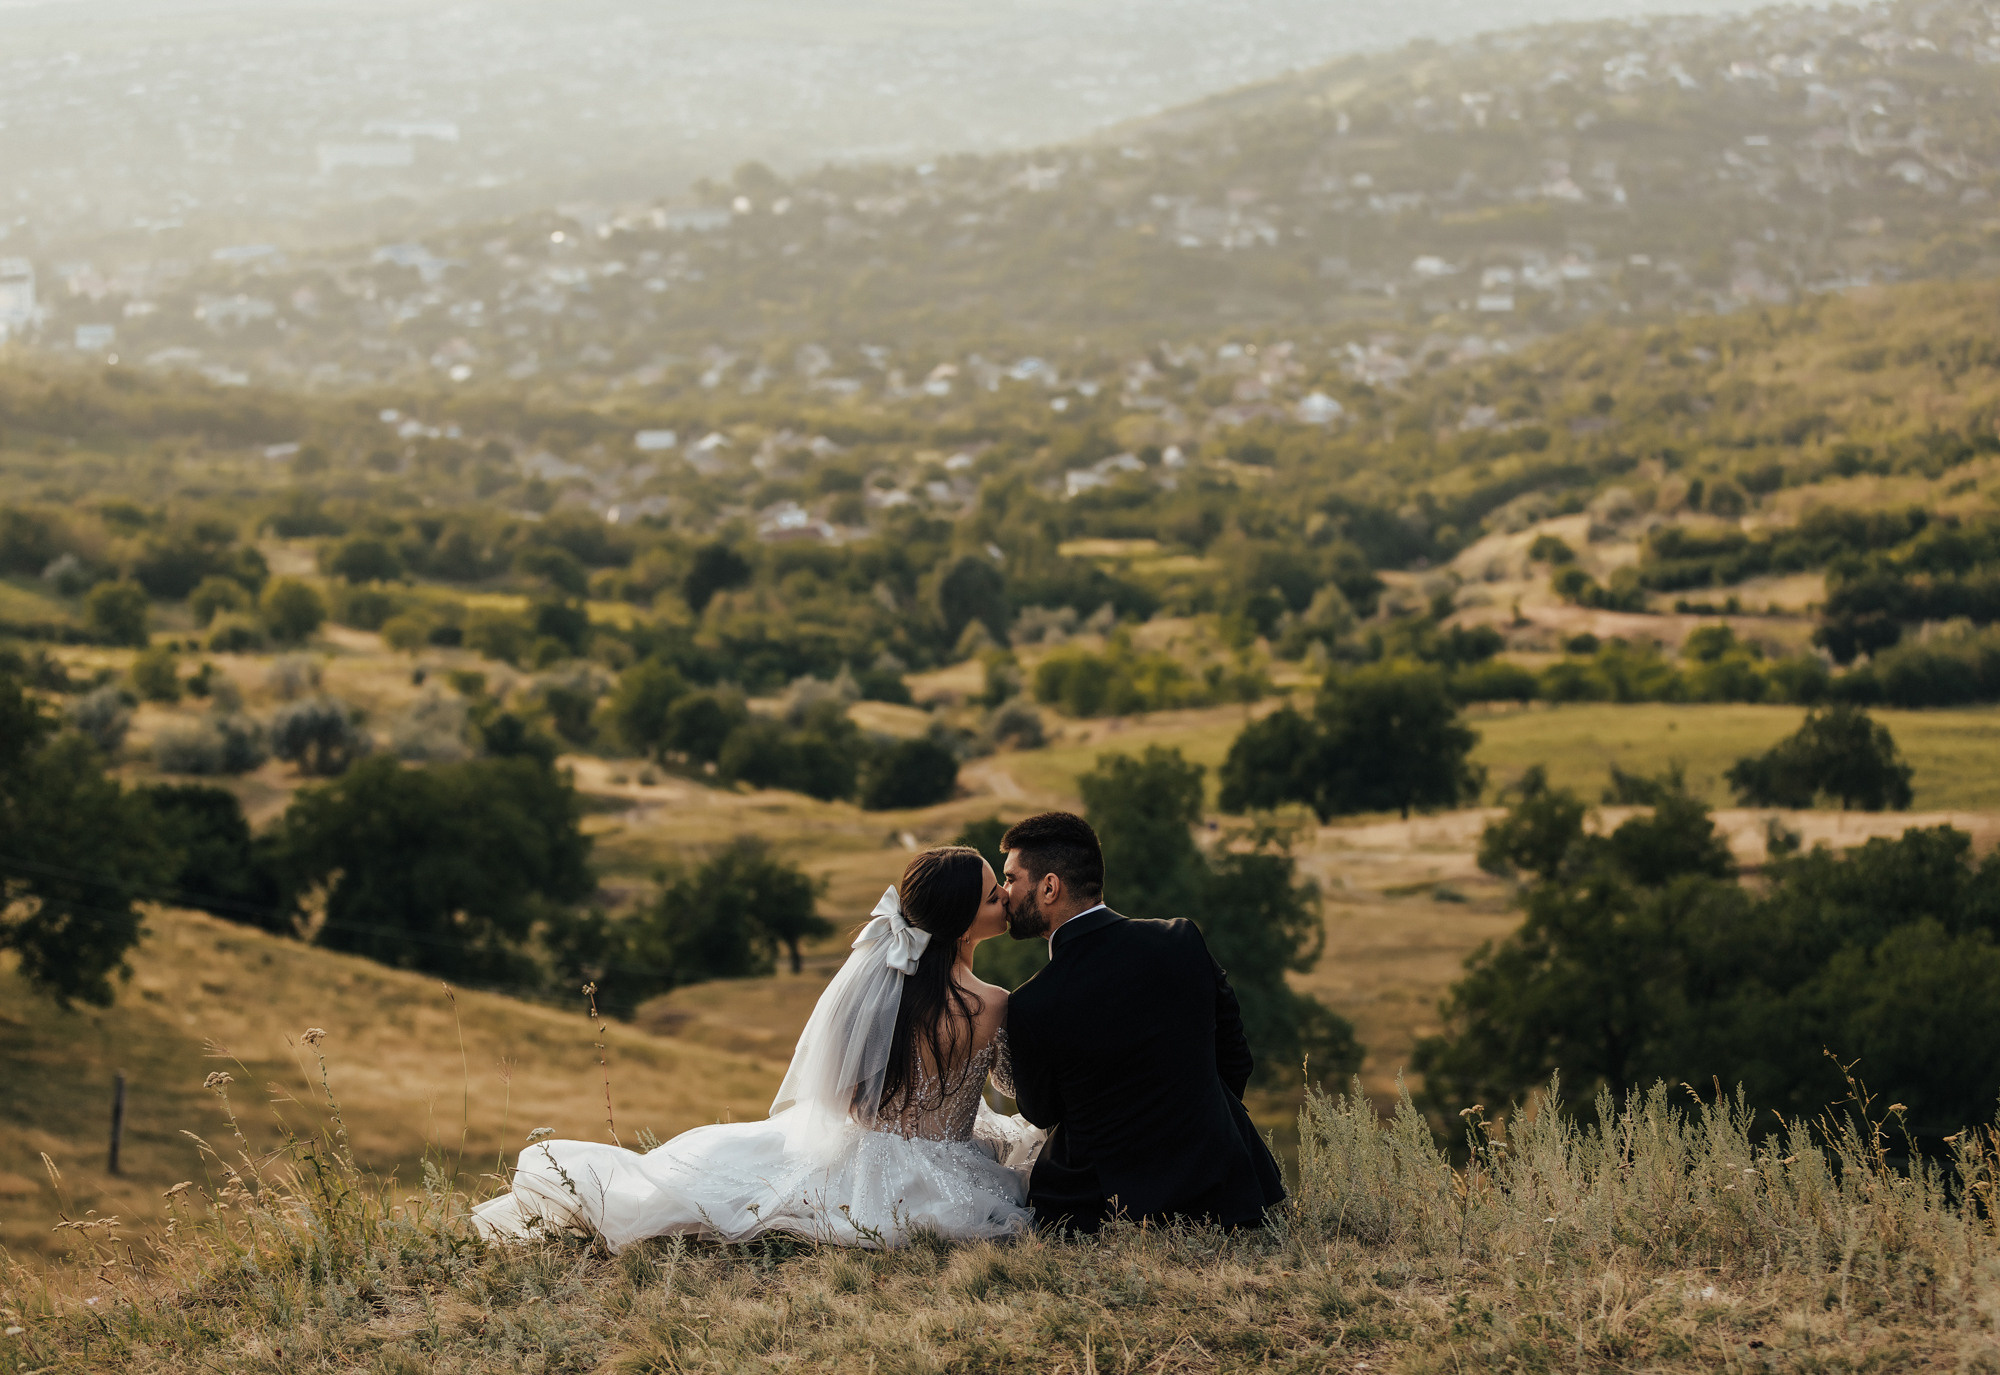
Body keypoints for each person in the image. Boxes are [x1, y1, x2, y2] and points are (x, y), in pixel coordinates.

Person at [473, 846, 1043, 1251]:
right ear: (962, 920)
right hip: (948, 1164)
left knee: (719, 1184)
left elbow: (842, 1090)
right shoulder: (991, 1004)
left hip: (863, 1149)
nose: (1006, 902)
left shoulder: (888, 994)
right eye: (996, 896)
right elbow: (1014, 1091)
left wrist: (891, 1124)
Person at [998, 810, 1284, 1233]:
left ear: (1049, 887)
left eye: (1010, 878)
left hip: (1105, 1204)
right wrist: (1198, 1125)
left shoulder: (1031, 1002)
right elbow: (1236, 1056)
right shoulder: (1181, 940)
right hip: (1224, 1189)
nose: (1005, 893)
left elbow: (1041, 1111)